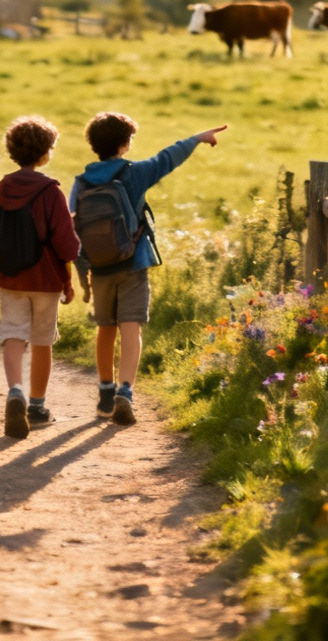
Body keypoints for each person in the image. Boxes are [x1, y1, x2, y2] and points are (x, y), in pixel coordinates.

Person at [71, 113, 226, 426]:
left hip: (99, 267)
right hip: (134, 262)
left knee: (105, 327)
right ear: (125, 145)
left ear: (94, 146)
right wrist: (196, 138)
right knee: (131, 327)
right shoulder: (135, 173)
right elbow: (167, 158)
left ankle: (105, 389)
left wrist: (81, 270)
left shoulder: (82, 181)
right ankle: (125, 392)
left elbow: (73, 224)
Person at [0, 116, 82, 440]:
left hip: (10, 279)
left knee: (13, 335)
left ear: (12, 150)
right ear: (46, 153)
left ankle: (15, 392)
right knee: (42, 341)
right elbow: (67, 244)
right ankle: (36, 406)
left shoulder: (0, 190)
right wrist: (73, 256)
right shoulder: (51, 192)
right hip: (47, 280)